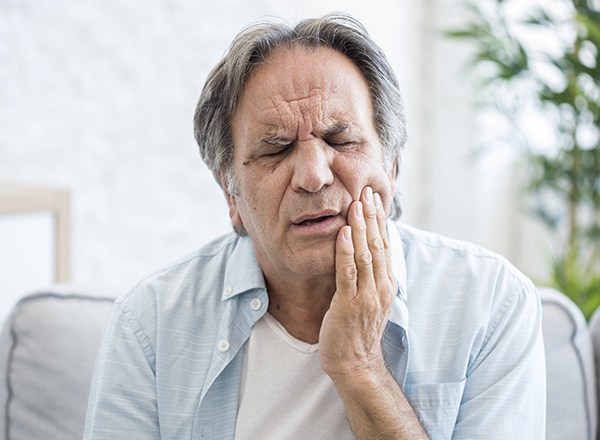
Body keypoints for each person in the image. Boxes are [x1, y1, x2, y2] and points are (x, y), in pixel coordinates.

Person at [83, 13, 546, 440]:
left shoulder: (491, 305)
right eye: (275, 149)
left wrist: (360, 366)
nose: (313, 175)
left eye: (341, 139)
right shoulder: (151, 323)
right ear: (231, 194)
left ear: (392, 165)